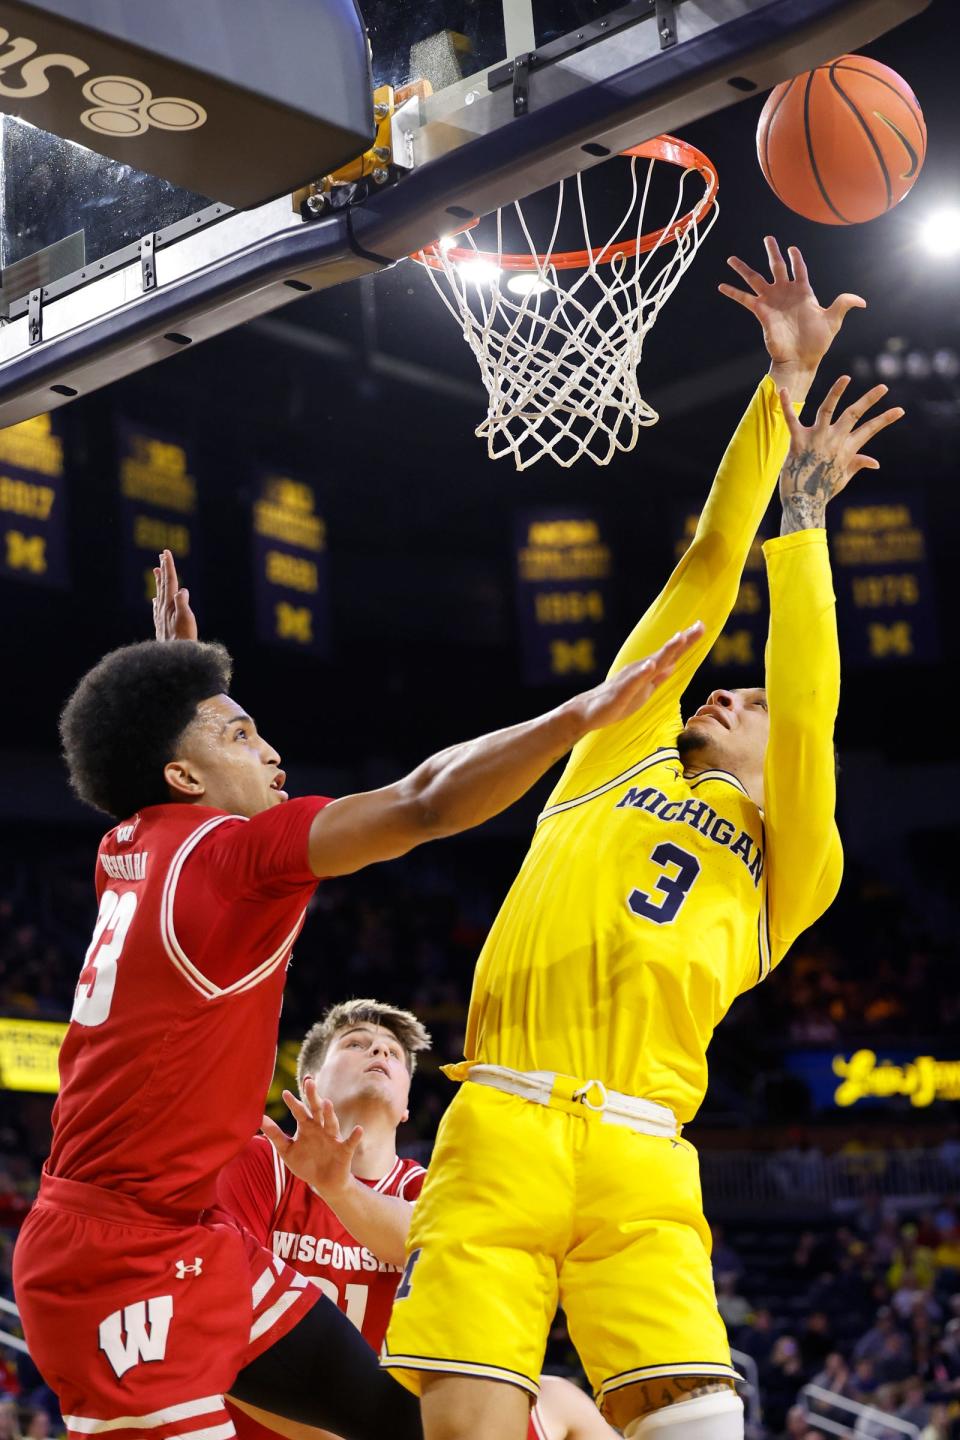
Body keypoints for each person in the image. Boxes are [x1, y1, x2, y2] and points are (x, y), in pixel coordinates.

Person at [382, 237, 905, 1440]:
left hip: (643, 1152)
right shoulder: (614, 755)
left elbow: (809, 693)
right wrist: (777, 400)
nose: (727, 694)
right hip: (500, 1122)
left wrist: (813, 516)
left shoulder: (793, 867)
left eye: (747, 701)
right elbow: (709, 569)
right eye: (723, 691)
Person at [13, 560, 702, 1440]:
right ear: (184, 778)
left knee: (404, 1426)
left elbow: (154, 752)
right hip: (113, 1269)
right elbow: (422, 803)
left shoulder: (129, 839)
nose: (271, 754)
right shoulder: (237, 857)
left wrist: (174, 680)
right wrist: (579, 717)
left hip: (187, 1242)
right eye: (241, 735)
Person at [217, 999, 615, 1440]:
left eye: (393, 1053)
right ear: (311, 1081)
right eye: (356, 1044)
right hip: (290, 1424)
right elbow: (213, 1312)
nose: (380, 1053)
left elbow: (426, 1238)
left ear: (406, 1104)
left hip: (396, 1423)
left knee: (562, 1400)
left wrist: (340, 1189)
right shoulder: (265, 1163)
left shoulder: (432, 1190)